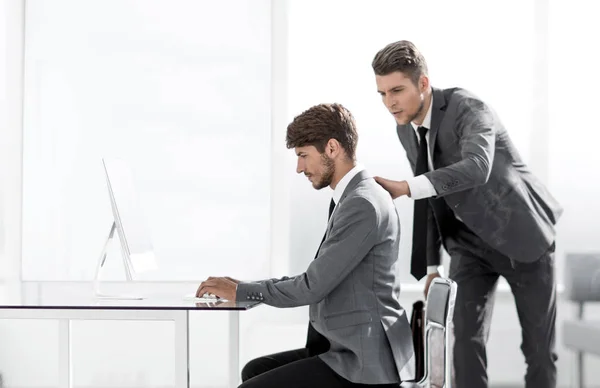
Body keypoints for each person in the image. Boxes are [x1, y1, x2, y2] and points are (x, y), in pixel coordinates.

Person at [370, 40, 563, 388]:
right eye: (382, 93)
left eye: (397, 90)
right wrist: (432, 266)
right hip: (468, 247)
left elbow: (477, 167)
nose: (390, 103)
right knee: (463, 345)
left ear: (423, 84)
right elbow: (433, 194)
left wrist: (406, 187)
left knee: (538, 352)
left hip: (523, 237)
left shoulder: (468, 108)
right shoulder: (405, 129)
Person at [196, 103, 415, 388]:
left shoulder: (362, 203)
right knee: (255, 369)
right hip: (348, 346)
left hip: (363, 360)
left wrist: (242, 291)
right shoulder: (354, 195)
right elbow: (318, 278)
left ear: (332, 148)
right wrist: (244, 286)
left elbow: (313, 286)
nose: (299, 168)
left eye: (303, 155)